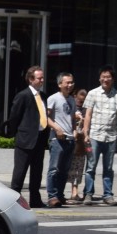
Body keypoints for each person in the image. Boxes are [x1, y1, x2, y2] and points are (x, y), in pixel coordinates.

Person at [81, 65, 117, 206]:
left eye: (108, 77)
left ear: (113, 79)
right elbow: (87, 114)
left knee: (108, 168)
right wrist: (85, 132)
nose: (105, 79)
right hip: (94, 134)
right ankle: (88, 194)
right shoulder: (92, 93)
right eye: (103, 76)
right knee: (91, 166)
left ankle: (108, 195)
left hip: (111, 136)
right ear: (99, 78)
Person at [6, 65, 49, 208]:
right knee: (20, 172)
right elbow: (14, 117)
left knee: (37, 173)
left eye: (43, 78)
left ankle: (35, 199)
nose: (42, 80)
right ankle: (14, 200)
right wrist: (16, 134)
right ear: (31, 79)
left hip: (40, 139)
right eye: (39, 78)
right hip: (25, 140)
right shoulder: (23, 95)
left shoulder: (43, 96)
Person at [45, 71, 78, 207]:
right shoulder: (53, 98)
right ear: (60, 84)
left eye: (72, 82)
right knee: (54, 169)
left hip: (70, 139)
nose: (70, 85)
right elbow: (45, 118)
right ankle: (52, 196)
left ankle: (60, 195)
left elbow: (72, 119)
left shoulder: (71, 100)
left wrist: (75, 131)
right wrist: (56, 128)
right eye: (67, 82)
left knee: (65, 170)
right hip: (57, 139)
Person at [68, 87, 89, 201]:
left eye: (83, 101)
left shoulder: (86, 109)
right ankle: (63, 192)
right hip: (70, 140)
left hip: (81, 142)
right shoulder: (71, 107)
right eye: (80, 100)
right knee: (68, 167)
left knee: (78, 167)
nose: (81, 103)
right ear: (75, 96)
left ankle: (75, 191)